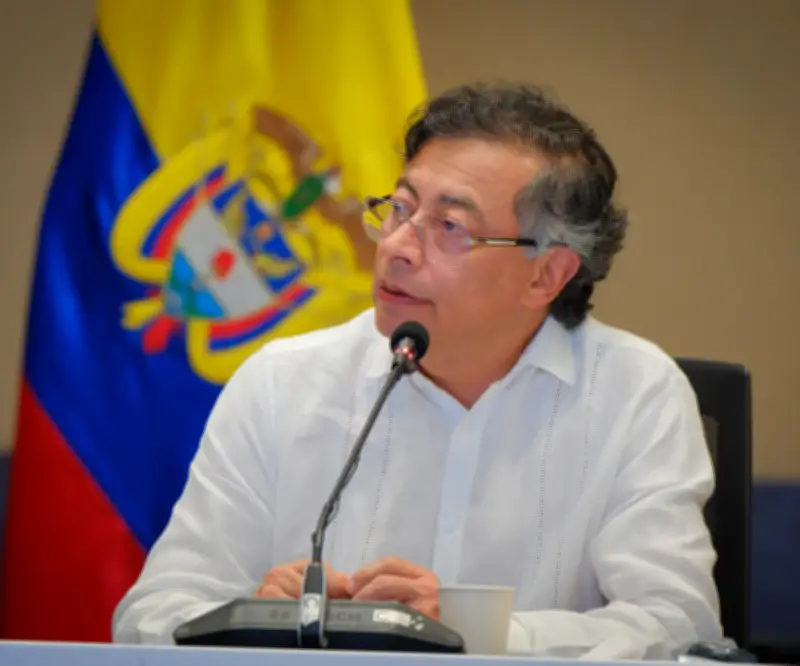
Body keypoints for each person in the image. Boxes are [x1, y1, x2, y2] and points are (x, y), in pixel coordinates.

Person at [112, 83, 723, 659]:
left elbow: (679, 626)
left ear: (546, 275)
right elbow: (151, 613)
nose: (397, 246)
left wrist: (471, 632)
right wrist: (252, 619)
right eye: (399, 209)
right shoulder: (280, 384)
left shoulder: (636, 394)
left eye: (450, 227)